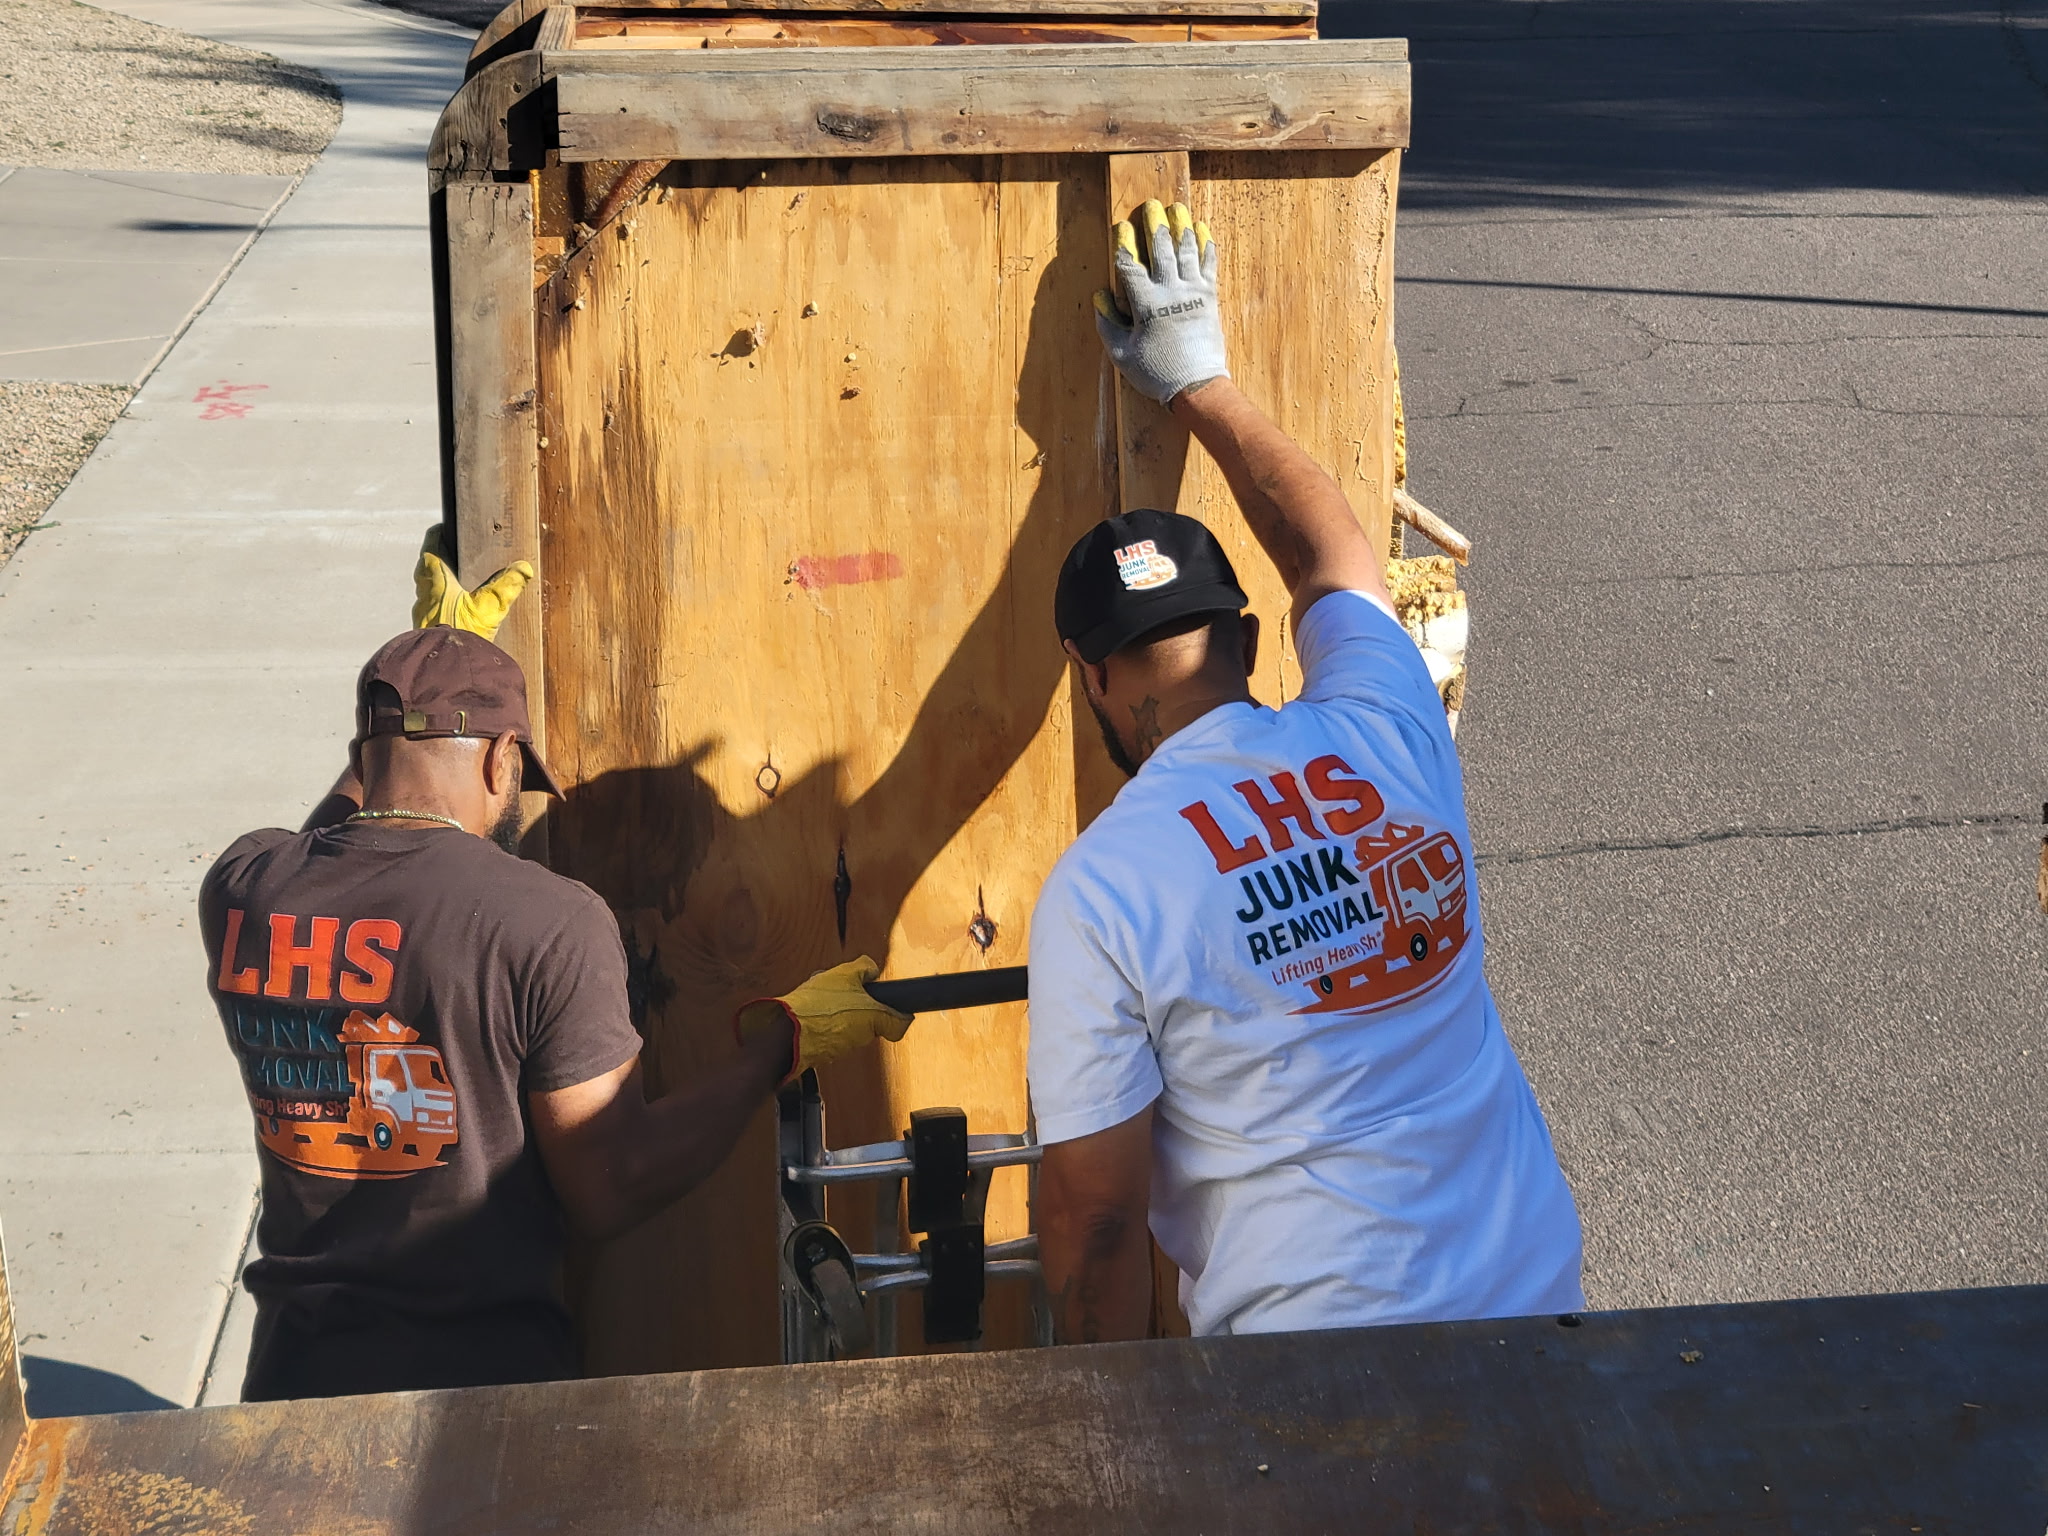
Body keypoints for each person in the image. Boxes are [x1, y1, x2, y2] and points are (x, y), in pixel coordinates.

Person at [1028, 202, 1583, 1344]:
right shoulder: (1386, 726)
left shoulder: (1103, 890)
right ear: (1246, 633)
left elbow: (1091, 1228)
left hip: (1319, 1385)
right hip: (1533, 1313)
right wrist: (1202, 379)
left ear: (1086, 678)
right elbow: (1329, 550)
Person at [200, 594, 908, 1400]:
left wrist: (409, 699)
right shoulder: (545, 921)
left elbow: (329, 836)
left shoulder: (244, 889)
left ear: (364, 754)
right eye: (514, 778)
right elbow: (613, 1180)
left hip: (289, 1385)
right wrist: (778, 1046)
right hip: (476, 1407)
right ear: (501, 758)